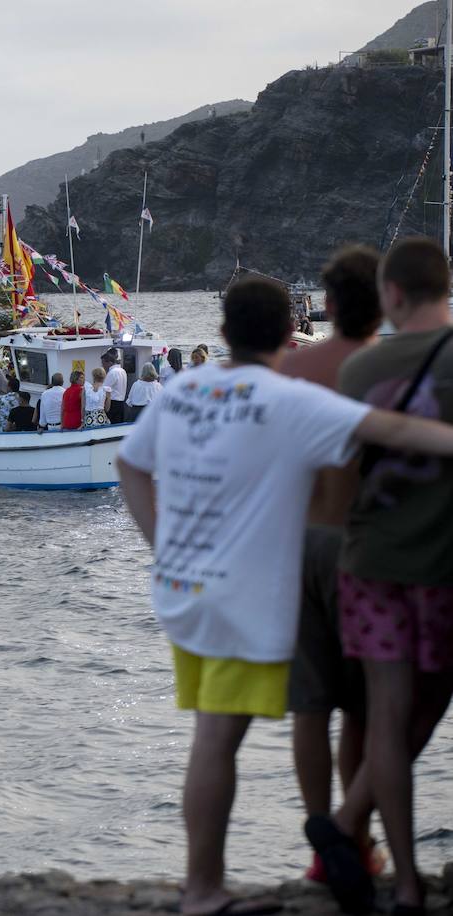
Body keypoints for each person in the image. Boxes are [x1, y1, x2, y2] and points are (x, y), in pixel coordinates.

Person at [116, 275, 453, 916]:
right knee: (217, 738)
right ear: (285, 334)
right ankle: (202, 891)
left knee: (212, 734)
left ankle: (202, 884)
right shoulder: (287, 400)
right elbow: (394, 429)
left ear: (223, 334)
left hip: (184, 590)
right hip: (239, 596)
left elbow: (131, 465)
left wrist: (162, 545)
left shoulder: (183, 389)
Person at [310, 237, 453, 915]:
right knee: (424, 707)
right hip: (446, 565)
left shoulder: (362, 371)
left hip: (372, 564)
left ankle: (403, 883)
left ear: (392, 294)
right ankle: (351, 835)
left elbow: (340, 465)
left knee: (388, 716)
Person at [275, 245, 384, 889]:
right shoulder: (387, 369)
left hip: (298, 544)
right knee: (365, 709)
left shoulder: (289, 367)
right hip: (364, 548)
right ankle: (356, 836)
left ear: (330, 304)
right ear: (387, 301)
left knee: (310, 707)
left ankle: (322, 848)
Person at [102, 349, 128, 422]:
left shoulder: (112, 372)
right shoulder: (122, 371)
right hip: (121, 403)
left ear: (109, 362)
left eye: (103, 363)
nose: (103, 366)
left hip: (112, 404)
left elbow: (104, 389)